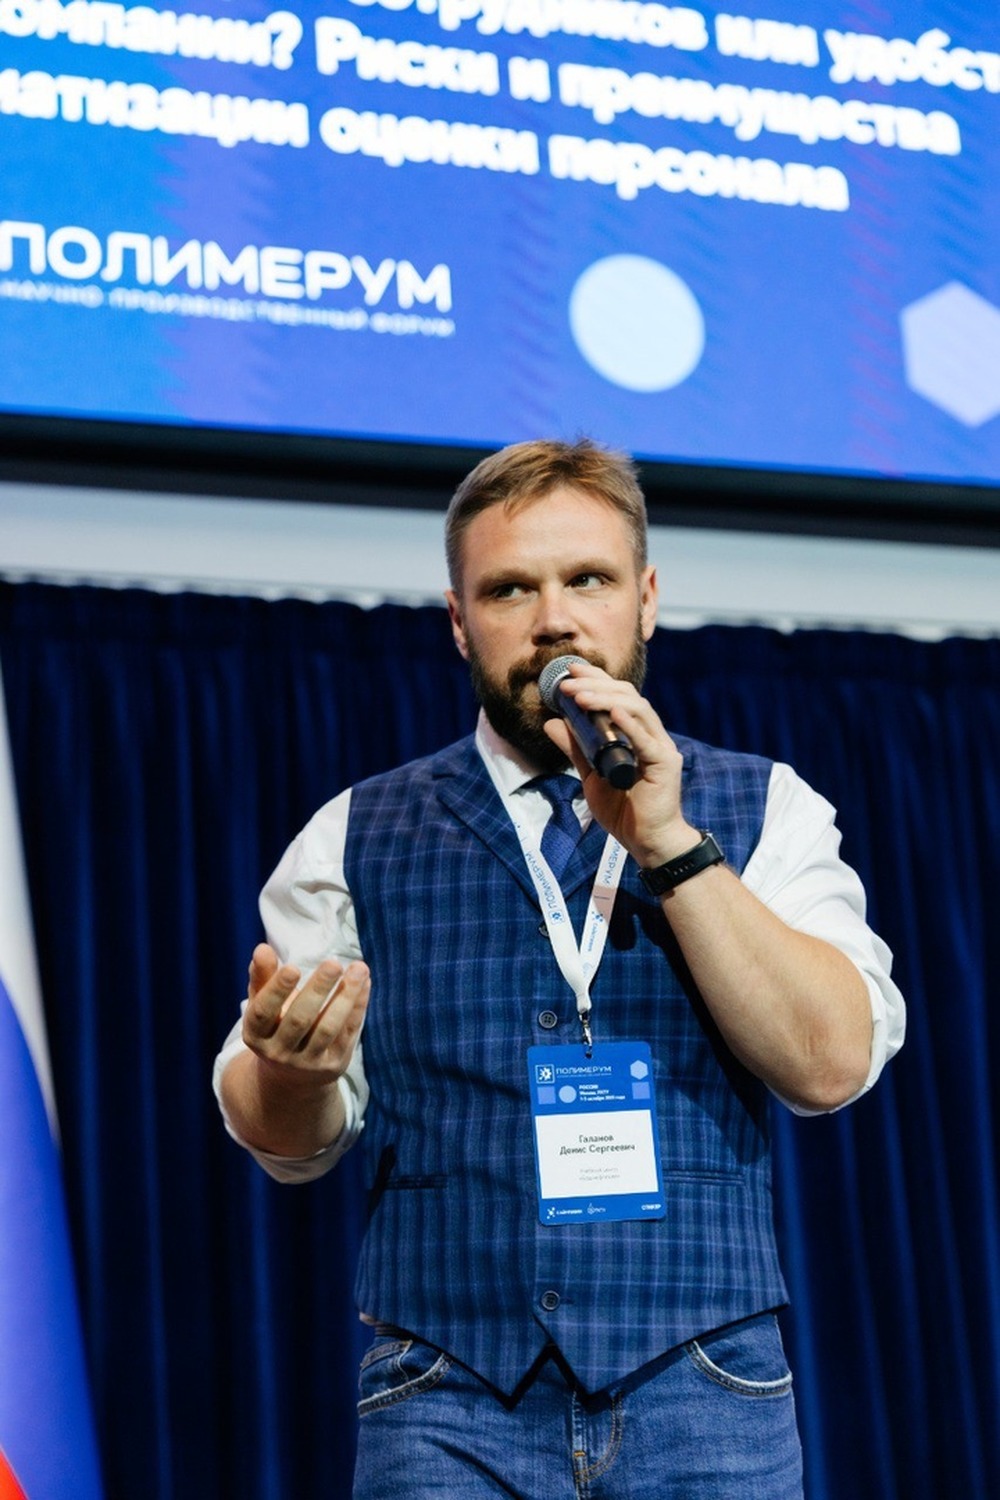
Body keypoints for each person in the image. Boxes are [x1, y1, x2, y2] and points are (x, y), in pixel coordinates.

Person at [214, 438, 905, 1498]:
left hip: (708, 1386)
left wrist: (669, 843)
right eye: (510, 589)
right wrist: (290, 1073)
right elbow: (289, 1141)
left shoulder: (768, 806)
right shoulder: (352, 832)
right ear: (459, 622)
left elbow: (829, 1064)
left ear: (646, 600)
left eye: (588, 580)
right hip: (444, 1396)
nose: (554, 621)